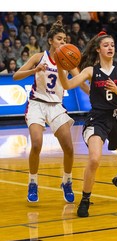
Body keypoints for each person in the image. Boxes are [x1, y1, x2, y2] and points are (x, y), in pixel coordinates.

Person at [56, 31, 117, 218]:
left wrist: (116, 89)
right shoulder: (91, 71)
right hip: (97, 119)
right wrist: (61, 67)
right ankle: (85, 200)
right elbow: (67, 86)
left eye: (112, 45)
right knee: (94, 159)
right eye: (106, 45)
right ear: (99, 49)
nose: (110, 48)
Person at [13, 20, 88, 203]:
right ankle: (32, 182)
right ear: (50, 41)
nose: (62, 42)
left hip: (56, 105)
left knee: (69, 148)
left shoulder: (68, 59)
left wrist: (94, 93)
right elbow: (16, 75)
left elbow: (81, 81)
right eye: (59, 39)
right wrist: (35, 69)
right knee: (37, 144)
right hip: (37, 104)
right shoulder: (39, 57)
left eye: (64, 39)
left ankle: (67, 181)